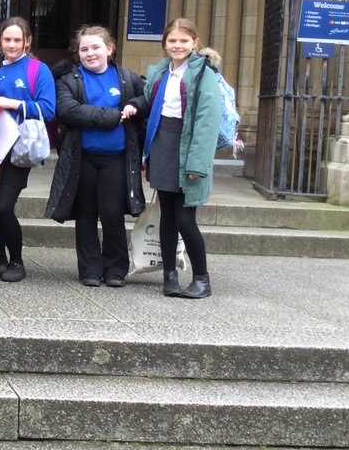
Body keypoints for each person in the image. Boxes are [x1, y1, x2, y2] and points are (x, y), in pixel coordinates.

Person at [45, 25, 146, 287]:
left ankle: (115, 268)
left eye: (95, 47)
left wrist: (134, 104)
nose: (90, 53)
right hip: (83, 158)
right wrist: (113, 116)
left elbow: (148, 96)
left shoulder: (126, 77)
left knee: (112, 213)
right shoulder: (69, 79)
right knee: (86, 214)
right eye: (84, 49)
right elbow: (68, 110)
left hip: (116, 159)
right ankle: (90, 268)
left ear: (109, 49)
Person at [133, 18, 220, 299]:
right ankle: (169, 276)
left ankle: (202, 279)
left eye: (184, 41)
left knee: (185, 218)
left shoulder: (204, 73)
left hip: (188, 147)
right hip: (163, 144)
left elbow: (207, 121)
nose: (177, 46)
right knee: (167, 217)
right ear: (165, 43)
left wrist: (197, 162)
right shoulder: (161, 71)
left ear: (195, 43)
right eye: (172, 40)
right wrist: (133, 106)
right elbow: (149, 101)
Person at [0, 17, 56, 282]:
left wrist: (11, 104)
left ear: (27, 41)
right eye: (7, 39)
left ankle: (17, 261)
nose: (12, 45)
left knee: (4, 206)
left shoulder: (39, 70)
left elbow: (48, 109)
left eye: (17, 40)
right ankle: (1, 260)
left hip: (20, 149)